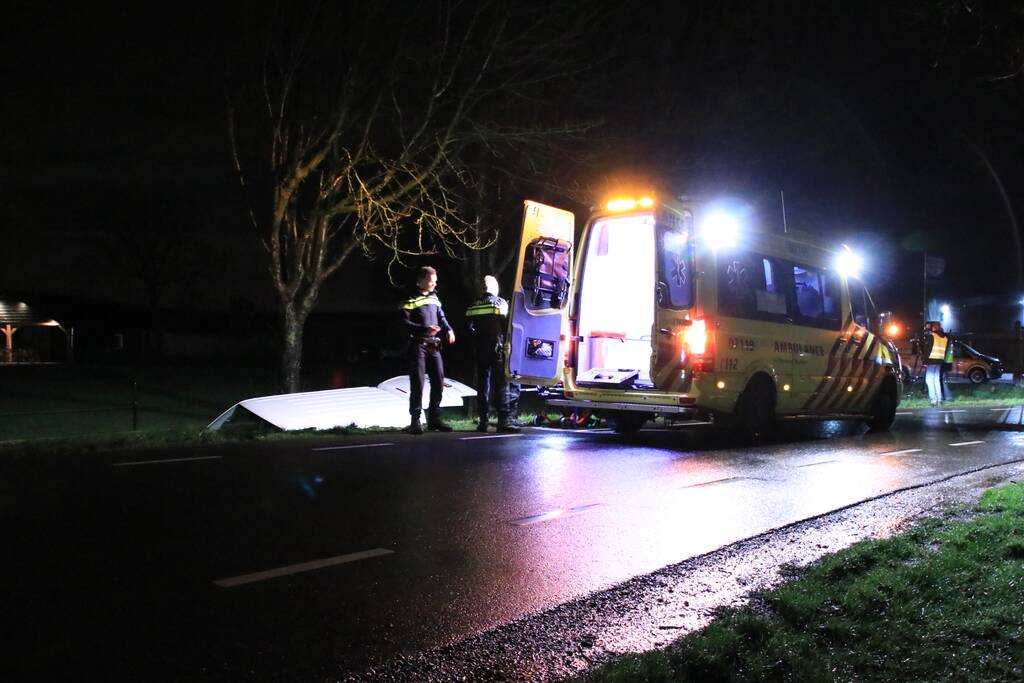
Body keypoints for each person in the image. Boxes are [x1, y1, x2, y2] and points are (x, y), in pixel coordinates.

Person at [401, 266, 455, 434]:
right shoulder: (410, 299)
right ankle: (415, 420)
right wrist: (425, 328)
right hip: (418, 345)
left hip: (434, 346)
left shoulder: (435, 298)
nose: (433, 284)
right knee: (418, 383)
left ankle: (434, 419)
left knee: (439, 382)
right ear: (421, 280)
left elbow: (442, 317)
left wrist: (449, 330)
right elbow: (404, 323)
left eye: (435, 282)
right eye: (431, 281)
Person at [465, 275, 520, 433]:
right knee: (503, 384)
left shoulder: (473, 305)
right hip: (497, 349)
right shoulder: (500, 303)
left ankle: (483, 421)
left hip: (481, 349)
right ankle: (504, 421)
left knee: (483, 385)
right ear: (494, 289)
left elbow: (468, 328)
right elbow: (506, 325)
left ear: (482, 289)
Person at [919, 321, 948, 406]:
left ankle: (933, 400)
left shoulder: (932, 336)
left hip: (931, 360)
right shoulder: (945, 338)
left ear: (933, 327)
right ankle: (939, 399)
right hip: (939, 360)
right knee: (936, 379)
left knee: (929, 380)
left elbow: (928, 350)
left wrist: (924, 361)